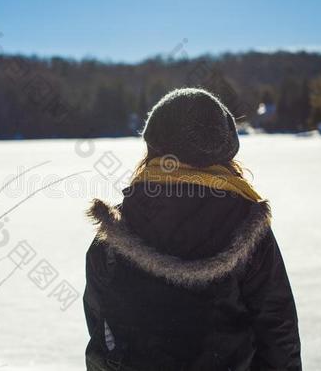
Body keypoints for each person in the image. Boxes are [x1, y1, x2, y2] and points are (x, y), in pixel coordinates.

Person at [84, 88, 301, 370]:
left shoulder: (113, 235)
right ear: (224, 151)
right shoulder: (248, 226)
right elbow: (278, 334)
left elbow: (103, 342)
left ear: (153, 147)